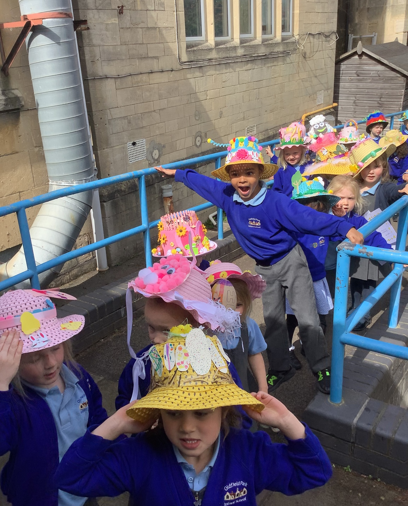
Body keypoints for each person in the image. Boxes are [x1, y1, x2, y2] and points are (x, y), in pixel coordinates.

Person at [55, 327, 333, 506]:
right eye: (173, 413)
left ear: (224, 410)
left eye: (202, 413)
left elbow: (314, 471)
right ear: (159, 412)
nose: (187, 427)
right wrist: (116, 423)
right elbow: (71, 477)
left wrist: (286, 421)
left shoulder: (248, 452)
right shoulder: (139, 455)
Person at [156, 136, 364, 394]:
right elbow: (205, 184)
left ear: (259, 174)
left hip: (290, 261)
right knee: (273, 319)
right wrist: (178, 174)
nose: (242, 180)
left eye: (249, 173)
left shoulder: (275, 202)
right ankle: (281, 367)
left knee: (308, 317)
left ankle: (321, 366)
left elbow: (308, 217)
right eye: (235, 174)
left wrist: (344, 227)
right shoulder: (227, 197)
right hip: (264, 268)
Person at [0, 289, 112, 506]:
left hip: (83, 496)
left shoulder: (77, 377)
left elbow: (97, 418)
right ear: (11, 362)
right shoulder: (12, 402)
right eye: (34, 357)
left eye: (56, 348)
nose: (50, 363)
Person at [116, 254, 244, 410]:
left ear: (198, 326)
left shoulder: (217, 365)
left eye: (167, 331)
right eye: (151, 327)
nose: (156, 339)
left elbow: (237, 410)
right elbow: (125, 397)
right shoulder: (143, 363)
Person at [327, 159, 406, 329]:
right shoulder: (321, 216)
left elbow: (374, 236)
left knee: (357, 284)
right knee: (324, 298)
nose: (345, 203)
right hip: (322, 267)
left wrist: (392, 255)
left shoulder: (356, 219)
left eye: (350, 198)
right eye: (340, 198)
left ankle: (358, 315)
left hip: (341, 265)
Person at [285, 176, 341, 371]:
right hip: (297, 279)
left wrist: (342, 219)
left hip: (317, 277)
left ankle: (311, 348)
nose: (312, 211)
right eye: (306, 205)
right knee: (293, 317)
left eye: (317, 204)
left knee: (321, 316)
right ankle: (286, 349)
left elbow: (342, 231)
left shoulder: (325, 224)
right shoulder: (293, 228)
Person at [202, 261, 267, 392]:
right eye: (220, 304)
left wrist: (263, 387)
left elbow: (254, 355)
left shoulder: (248, 325)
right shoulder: (203, 329)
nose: (229, 311)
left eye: (237, 305)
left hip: (244, 389)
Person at [265, 122, 313, 196]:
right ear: (283, 154)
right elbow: (277, 191)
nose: (291, 157)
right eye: (287, 154)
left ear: (302, 152)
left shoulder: (309, 166)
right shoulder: (280, 171)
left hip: (308, 201)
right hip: (289, 201)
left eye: (295, 153)